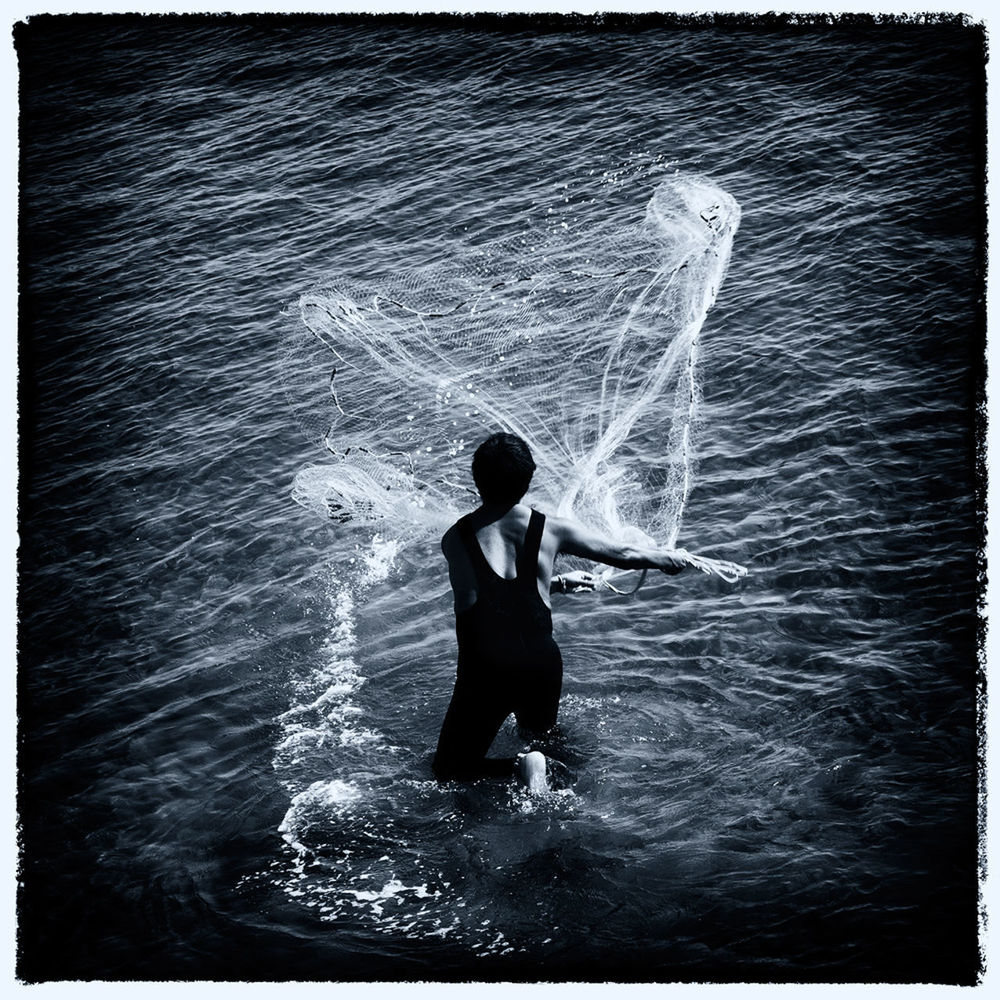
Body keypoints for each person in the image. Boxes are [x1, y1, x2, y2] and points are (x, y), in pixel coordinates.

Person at [432, 431, 693, 793]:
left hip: (486, 667)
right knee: (539, 735)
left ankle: (519, 768)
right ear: (527, 480)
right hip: (541, 663)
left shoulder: (455, 539)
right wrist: (667, 559)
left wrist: (552, 583)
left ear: (477, 481)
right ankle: (564, 780)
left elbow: (482, 600)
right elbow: (623, 554)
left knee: (449, 769)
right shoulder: (551, 529)